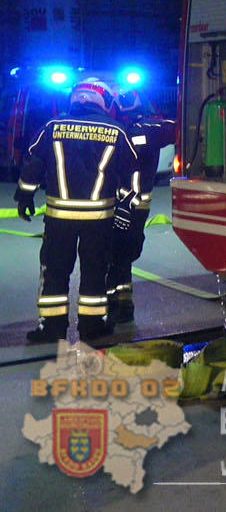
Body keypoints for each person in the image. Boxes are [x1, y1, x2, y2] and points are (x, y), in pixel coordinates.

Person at [13, 77, 140, 344]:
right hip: (100, 220)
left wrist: (24, 196)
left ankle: (52, 329)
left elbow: (33, 163)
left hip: (60, 219)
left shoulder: (52, 126)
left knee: (55, 271)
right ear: (103, 101)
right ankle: (91, 327)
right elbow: (131, 175)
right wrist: (127, 209)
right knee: (95, 272)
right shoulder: (117, 131)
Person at [106, 88, 176, 325]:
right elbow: (177, 128)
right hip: (138, 204)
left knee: (115, 253)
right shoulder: (152, 129)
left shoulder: (116, 131)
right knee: (124, 252)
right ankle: (121, 303)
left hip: (115, 203)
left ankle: (115, 303)